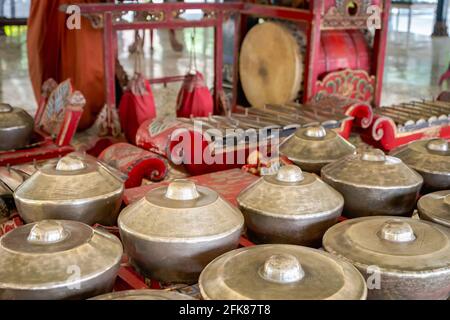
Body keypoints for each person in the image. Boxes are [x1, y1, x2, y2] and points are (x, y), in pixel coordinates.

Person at [27, 0, 107, 130]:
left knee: (82, 55)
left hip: (77, 9)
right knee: (47, 54)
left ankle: (78, 115)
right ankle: (56, 113)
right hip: (50, 7)